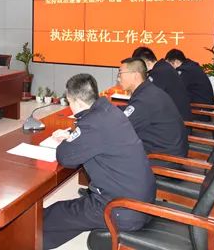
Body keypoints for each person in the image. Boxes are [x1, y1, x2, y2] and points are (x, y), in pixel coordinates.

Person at [43, 74, 155, 249]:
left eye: (69, 102)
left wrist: (67, 140)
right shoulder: (109, 111)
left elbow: (65, 157)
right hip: (141, 200)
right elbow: (98, 138)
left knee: (55, 213)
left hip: (121, 208)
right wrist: (73, 135)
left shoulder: (92, 123)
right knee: (69, 213)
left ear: (77, 102)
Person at [117, 57, 188, 163]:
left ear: (135, 75)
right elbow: (130, 111)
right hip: (167, 151)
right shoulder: (148, 91)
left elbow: (120, 127)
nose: (118, 79)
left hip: (163, 159)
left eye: (120, 74)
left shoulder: (145, 99)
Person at [132, 46, 192, 121]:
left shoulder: (160, 71)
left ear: (147, 63)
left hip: (177, 122)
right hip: (174, 117)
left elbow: (147, 96)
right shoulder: (162, 67)